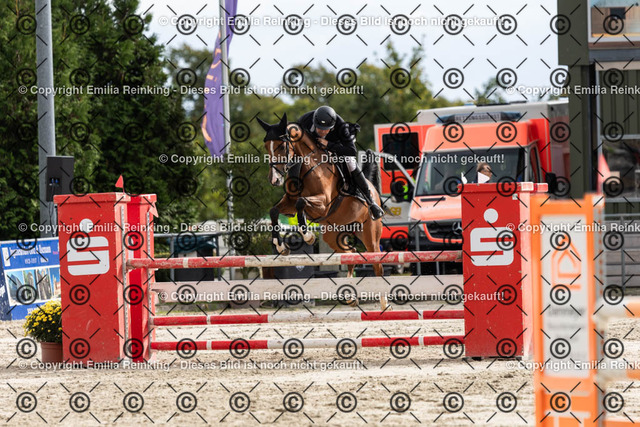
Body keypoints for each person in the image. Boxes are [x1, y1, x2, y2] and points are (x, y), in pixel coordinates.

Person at [294, 106, 385, 220]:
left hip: (338, 145)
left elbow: (351, 151)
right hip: (313, 149)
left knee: (351, 163)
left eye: (326, 129)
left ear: (332, 127)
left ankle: (371, 201)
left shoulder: (341, 127)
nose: (322, 131)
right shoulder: (305, 120)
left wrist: (328, 145)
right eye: (319, 128)